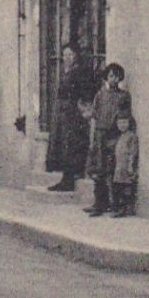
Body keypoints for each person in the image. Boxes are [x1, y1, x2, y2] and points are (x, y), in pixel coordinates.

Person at [47, 43, 99, 192]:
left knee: (71, 144)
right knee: (63, 144)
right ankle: (66, 177)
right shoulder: (66, 72)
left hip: (73, 113)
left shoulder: (80, 72)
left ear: (76, 56)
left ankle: (70, 178)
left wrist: (82, 108)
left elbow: (86, 92)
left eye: (70, 55)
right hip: (63, 113)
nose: (67, 58)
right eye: (65, 55)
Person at [84, 62, 132, 217]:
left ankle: (115, 204)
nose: (114, 79)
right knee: (98, 170)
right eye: (111, 76)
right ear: (106, 77)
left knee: (113, 170)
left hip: (114, 136)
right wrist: (93, 139)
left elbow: (125, 118)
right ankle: (99, 203)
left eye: (117, 76)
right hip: (100, 135)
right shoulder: (100, 95)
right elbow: (94, 116)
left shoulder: (124, 96)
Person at [110, 113, 139, 218]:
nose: (122, 125)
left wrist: (130, 165)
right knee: (118, 186)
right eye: (120, 123)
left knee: (126, 188)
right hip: (119, 166)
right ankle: (118, 207)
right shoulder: (120, 137)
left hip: (126, 166)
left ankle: (125, 209)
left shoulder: (131, 136)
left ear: (129, 123)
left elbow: (133, 152)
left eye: (124, 122)